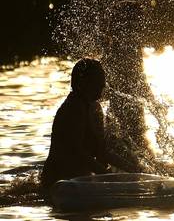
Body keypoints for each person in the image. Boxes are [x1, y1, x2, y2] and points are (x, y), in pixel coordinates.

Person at [40, 58, 138, 189]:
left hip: (81, 182)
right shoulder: (73, 108)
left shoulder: (95, 107)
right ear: (84, 82)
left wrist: (134, 170)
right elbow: (76, 151)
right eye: (99, 78)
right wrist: (107, 176)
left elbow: (102, 152)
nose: (104, 84)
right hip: (58, 184)